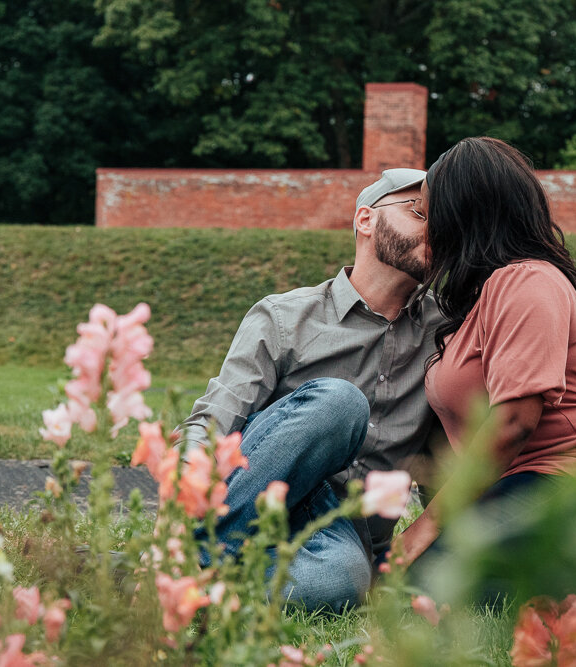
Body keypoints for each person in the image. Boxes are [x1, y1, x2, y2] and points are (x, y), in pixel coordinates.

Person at [396, 137, 576, 602]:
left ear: (463, 214)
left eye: (430, 215)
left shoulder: (527, 281)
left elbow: (513, 422)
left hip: (575, 484)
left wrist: (428, 526)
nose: (426, 231)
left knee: (429, 590)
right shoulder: (479, 297)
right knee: (429, 587)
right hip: (513, 485)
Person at [181, 168, 443, 610]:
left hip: (340, 535)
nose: (436, 230)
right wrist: (180, 498)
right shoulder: (284, 317)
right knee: (339, 402)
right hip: (259, 493)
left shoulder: (447, 336)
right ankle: (188, 548)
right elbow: (212, 421)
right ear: (365, 220)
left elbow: (444, 465)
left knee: (340, 582)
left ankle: (171, 578)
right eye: (420, 212)